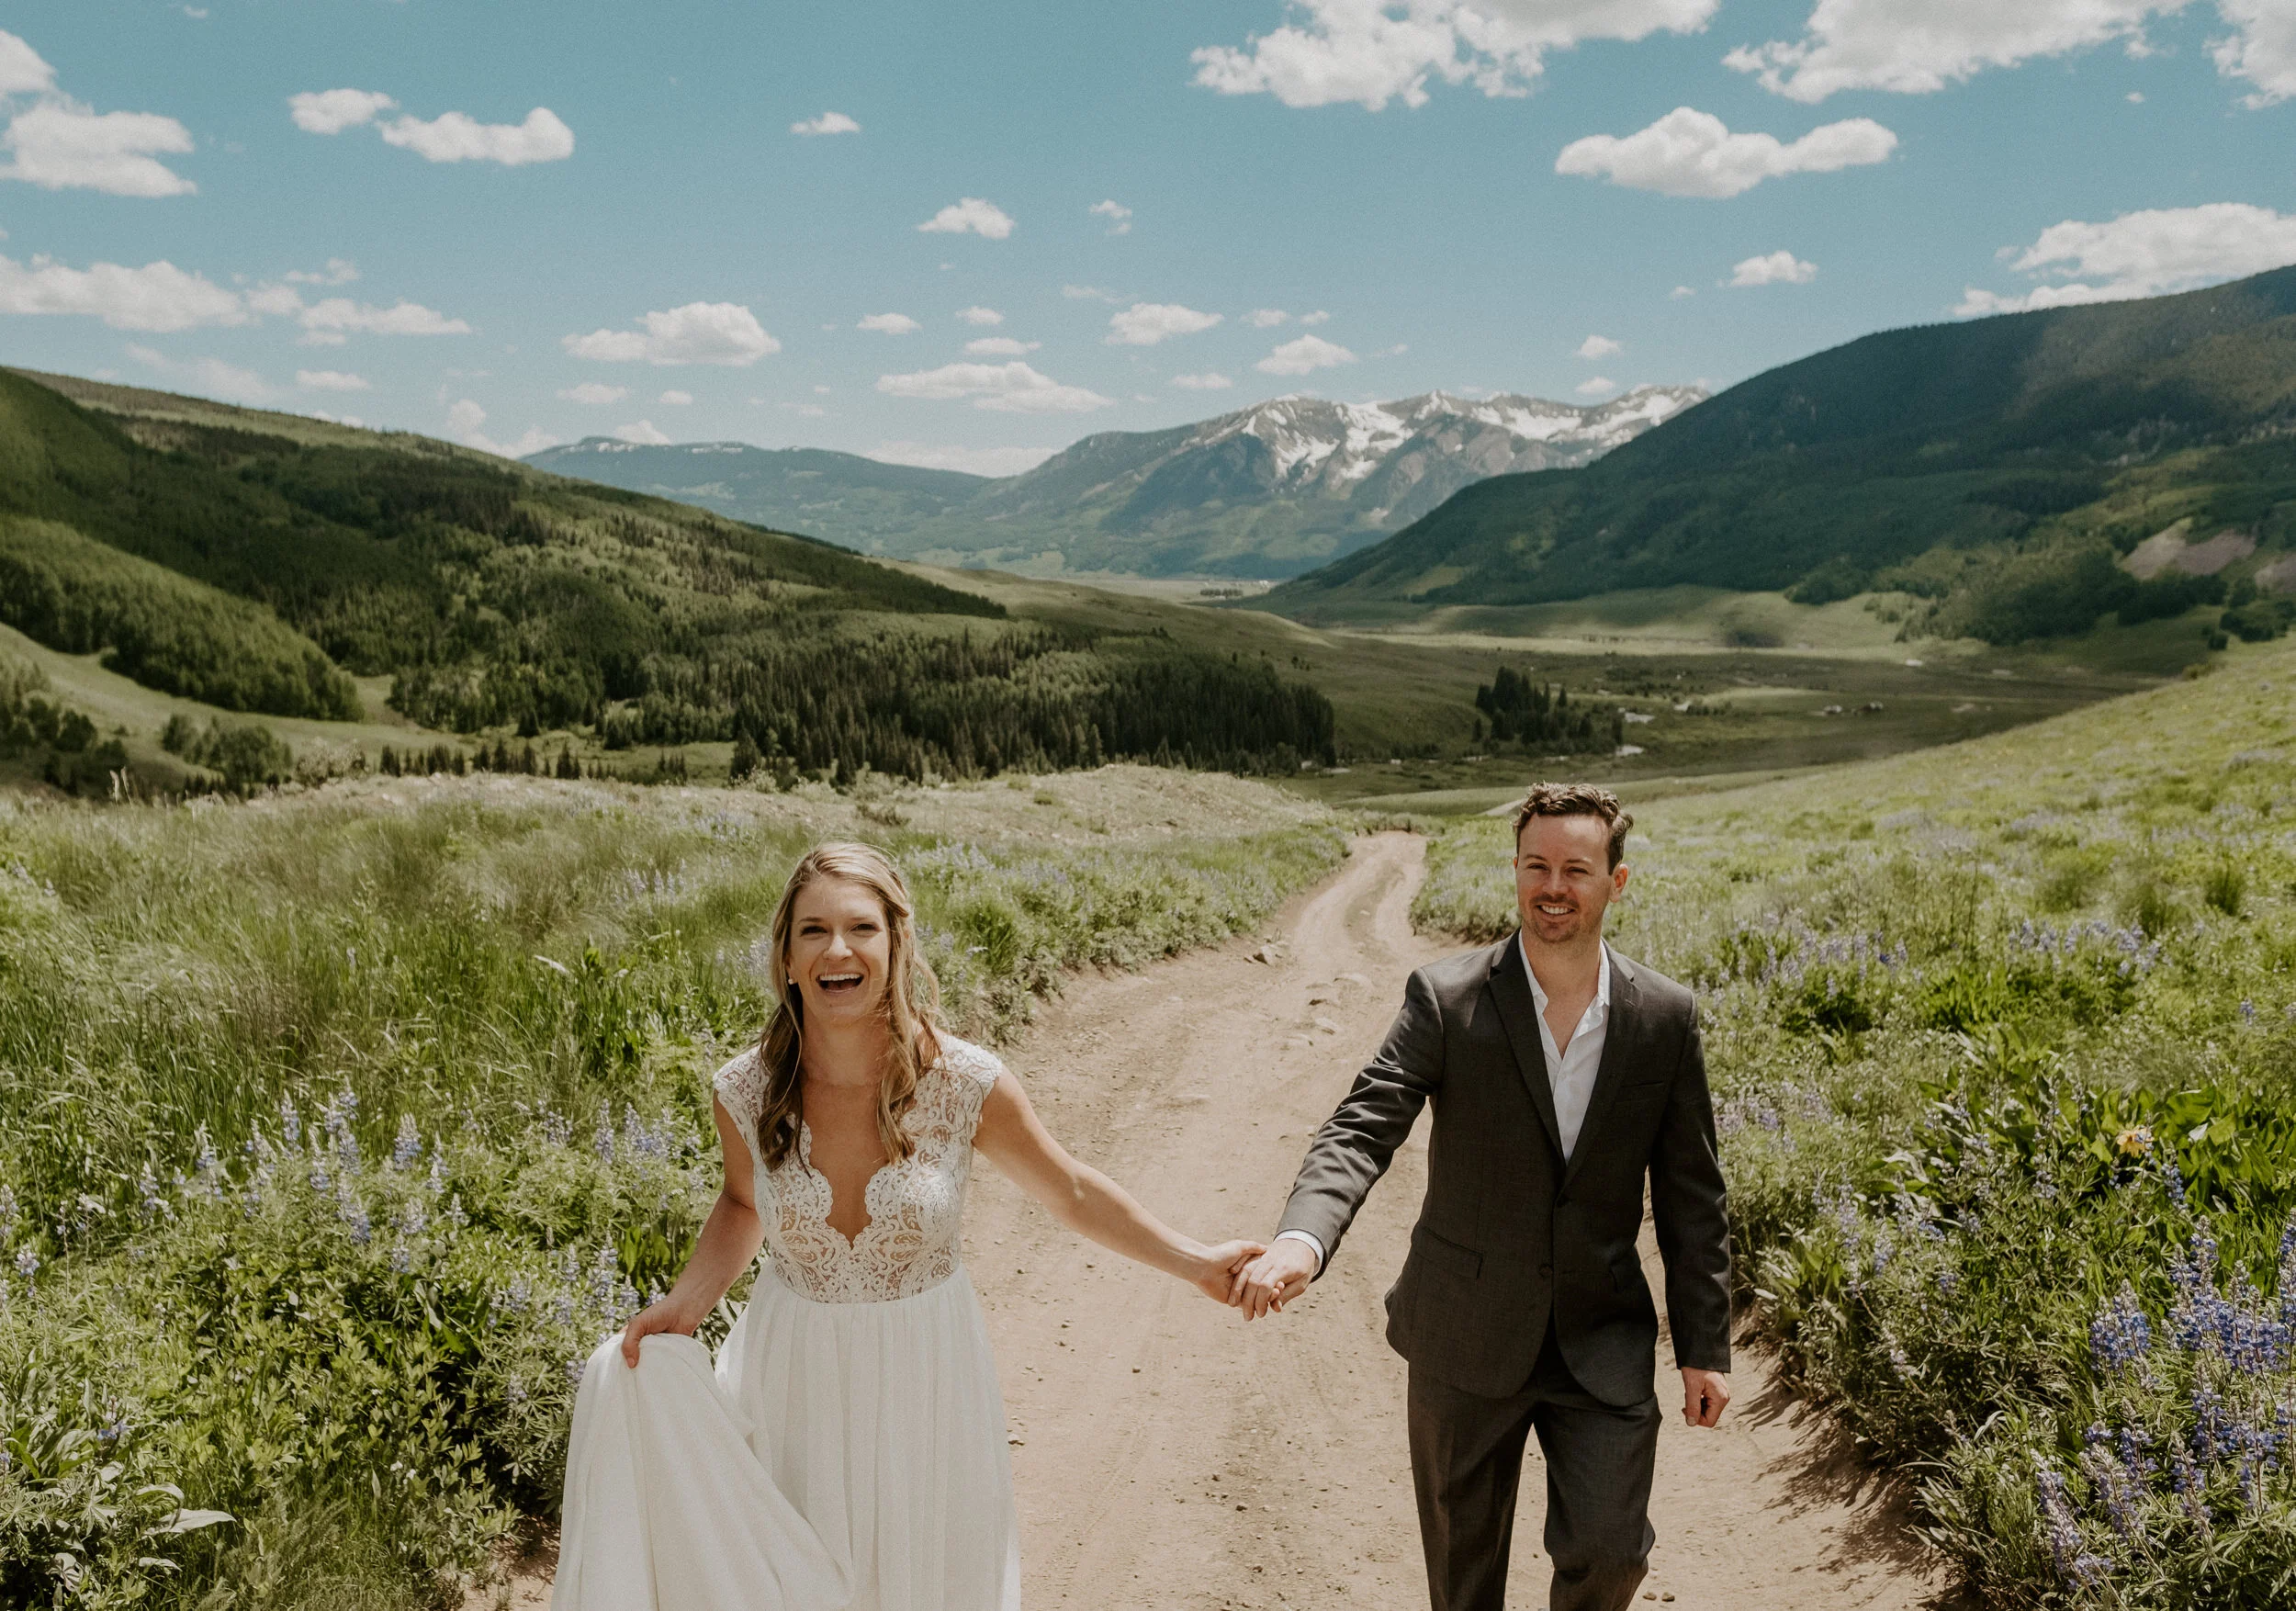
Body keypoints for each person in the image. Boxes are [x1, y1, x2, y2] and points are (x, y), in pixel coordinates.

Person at [553, 841, 1262, 1611]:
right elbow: (742, 1201)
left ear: (895, 946)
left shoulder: (964, 1083)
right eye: (813, 930)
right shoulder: (745, 1089)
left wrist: (1196, 1262)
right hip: (792, 1379)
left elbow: (1071, 1193)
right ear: (787, 958)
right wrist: (684, 1305)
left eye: (861, 927)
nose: (837, 949)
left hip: (927, 1378)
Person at [1232, 783, 1732, 1611]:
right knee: (1463, 1583)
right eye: (1536, 865)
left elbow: (1693, 1194)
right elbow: (1363, 1126)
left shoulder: (1665, 1019)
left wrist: (1704, 1343)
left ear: (1618, 881)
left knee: (1611, 1555)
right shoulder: (1446, 998)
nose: (1554, 886)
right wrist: (1301, 1240)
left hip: (1600, 1339)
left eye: (1577, 868)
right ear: (1515, 872)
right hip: (1462, 1340)